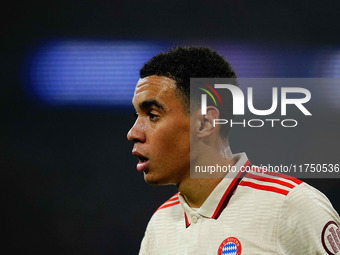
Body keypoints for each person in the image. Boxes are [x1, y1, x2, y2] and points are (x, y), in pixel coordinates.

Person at [127, 46, 340, 254]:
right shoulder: (160, 225)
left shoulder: (290, 206)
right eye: (137, 116)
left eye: (152, 115)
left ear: (205, 123)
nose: (133, 133)